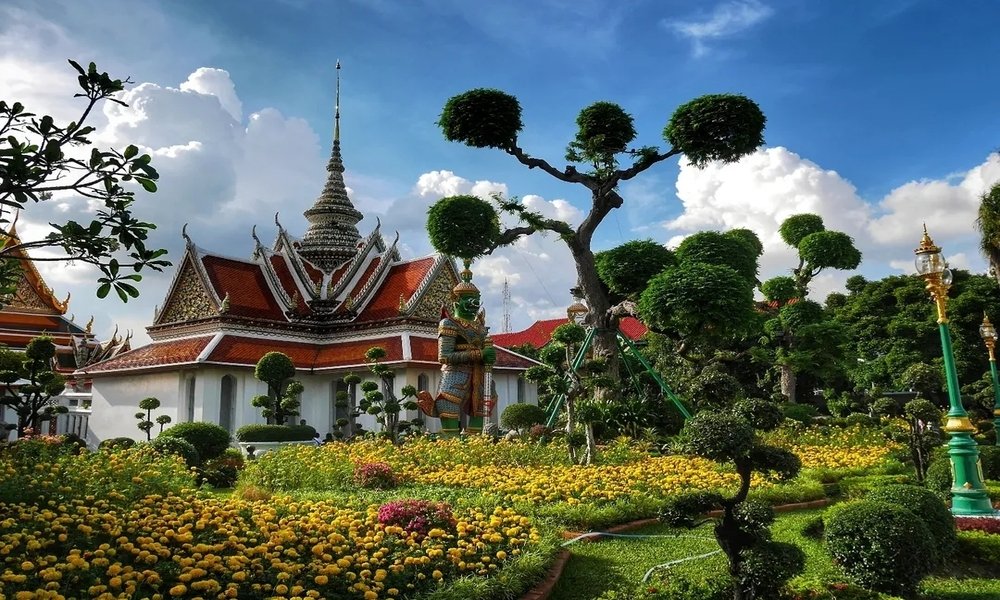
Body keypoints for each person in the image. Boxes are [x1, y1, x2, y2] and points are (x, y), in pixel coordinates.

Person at [417, 263, 498, 436]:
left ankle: (475, 444)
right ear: (456, 301)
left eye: (476, 299)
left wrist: (489, 357)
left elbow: (487, 354)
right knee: (447, 405)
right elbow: (444, 356)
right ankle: (451, 444)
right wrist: (479, 354)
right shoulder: (449, 324)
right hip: (455, 374)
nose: (474, 304)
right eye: (468, 299)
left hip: (479, 375)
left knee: (485, 404)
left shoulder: (480, 328)